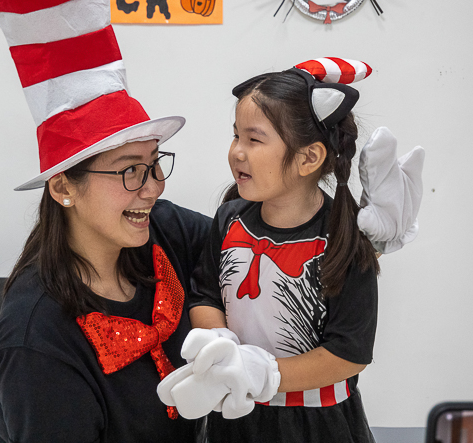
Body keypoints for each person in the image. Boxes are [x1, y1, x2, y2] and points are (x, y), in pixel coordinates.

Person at [0, 0, 423, 443]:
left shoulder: (161, 230)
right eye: (129, 171)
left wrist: (368, 236)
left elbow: (280, 234)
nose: (153, 187)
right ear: (63, 186)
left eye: (154, 164)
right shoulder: (36, 341)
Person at [157, 59, 422, 442]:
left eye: (254, 139)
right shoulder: (229, 219)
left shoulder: (345, 238)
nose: (237, 152)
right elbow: (204, 294)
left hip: (318, 424)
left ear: (308, 157)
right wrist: (222, 349)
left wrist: (265, 373)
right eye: (236, 136)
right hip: (236, 418)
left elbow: (349, 354)